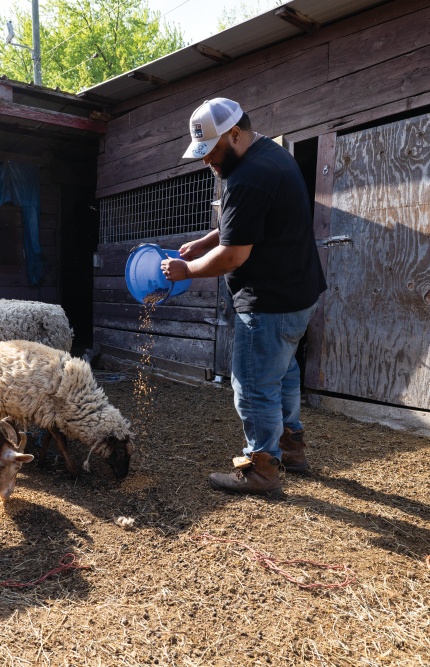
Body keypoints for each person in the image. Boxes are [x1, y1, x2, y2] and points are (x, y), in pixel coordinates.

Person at [160, 98, 326, 497]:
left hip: (269, 301)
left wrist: (187, 271)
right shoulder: (272, 155)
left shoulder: (247, 176)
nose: (207, 161)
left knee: (252, 386)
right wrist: (205, 240)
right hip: (298, 295)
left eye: (212, 151)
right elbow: (247, 221)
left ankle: (261, 468)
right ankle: (292, 449)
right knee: (283, 375)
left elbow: (235, 255)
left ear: (235, 135)